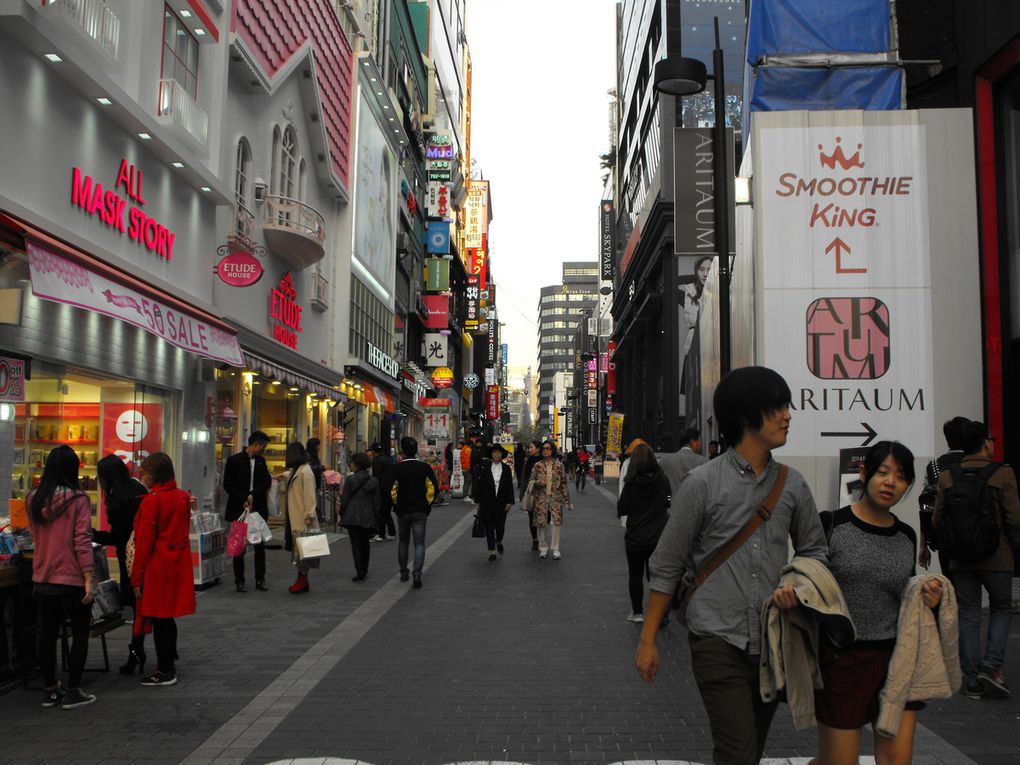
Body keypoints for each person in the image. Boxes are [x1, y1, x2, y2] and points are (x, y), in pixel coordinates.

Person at [635, 366, 828, 765]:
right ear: (745, 416)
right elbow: (666, 565)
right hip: (715, 639)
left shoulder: (792, 485)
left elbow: (815, 552)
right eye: (776, 407)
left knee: (748, 751)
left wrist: (799, 585)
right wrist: (648, 639)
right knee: (738, 751)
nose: (787, 415)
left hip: (773, 640)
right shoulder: (702, 484)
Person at [814, 440, 943, 764]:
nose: (890, 482)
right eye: (883, 472)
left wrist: (930, 599)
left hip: (898, 661)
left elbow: (906, 594)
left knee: (896, 760)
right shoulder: (831, 525)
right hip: (844, 662)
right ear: (863, 473)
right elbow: (808, 584)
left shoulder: (906, 536)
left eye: (900, 477)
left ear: (907, 486)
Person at [934, 420, 1020, 700]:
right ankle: (992, 668)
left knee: (969, 613)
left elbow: (938, 517)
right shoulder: (1003, 473)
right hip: (998, 557)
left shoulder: (949, 475)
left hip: (962, 559)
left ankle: (970, 680)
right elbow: (1014, 518)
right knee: (1001, 608)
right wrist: (1012, 546)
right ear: (985, 443)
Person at [29, 446, 97, 709]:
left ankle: (49, 690)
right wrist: (88, 577)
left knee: (47, 634)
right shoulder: (78, 500)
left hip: (43, 577)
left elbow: (36, 537)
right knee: (79, 634)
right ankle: (73, 690)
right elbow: (82, 540)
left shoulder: (33, 498)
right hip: (72, 579)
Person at [131, 452, 196, 687]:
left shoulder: (152, 501)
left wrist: (136, 578)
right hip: (176, 563)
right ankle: (169, 660)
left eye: (144, 473)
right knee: (167, 617)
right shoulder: (181, 497)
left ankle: (165, 669)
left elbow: (144, 543)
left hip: (157, 566)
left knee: (160, 619)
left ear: (154, 475)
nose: (142, 477)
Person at [93, 454, 148, 674]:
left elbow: (118, 536)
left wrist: (92, 534)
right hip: (144, 555)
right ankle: (148, 651)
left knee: (136, 606)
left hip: (129, 559)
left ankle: (136, 652)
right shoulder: (137, 488)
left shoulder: (119, 499)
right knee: (143, 607)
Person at [617, 443, 670, 624]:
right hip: (658, 535)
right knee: (657, 575)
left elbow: (622, 508)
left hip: (636, 536)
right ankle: (661, 614)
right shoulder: (662, 479)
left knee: (635, 574)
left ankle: (638, 612)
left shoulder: (631, 483)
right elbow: (668, 500)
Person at [918, 416, 970, 575]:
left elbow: (926, 507)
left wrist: (923, 546)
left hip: (944, 538)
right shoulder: (975, 463)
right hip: (975, 536)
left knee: (951, 587)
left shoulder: (934, 466)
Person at [222, 431, 272, 592]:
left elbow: (266, 481)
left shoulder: (261, 462)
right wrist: (242, 499)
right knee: (239, 546)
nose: (263, 450)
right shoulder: (234, 460)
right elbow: (228, 484)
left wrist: (253, 495)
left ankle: (260, 579)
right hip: (239, 509)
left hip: (257, 509)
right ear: (255, 445)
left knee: (259, 545)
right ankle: (239, 580)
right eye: (263, 446)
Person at [390, 437, 439, 588]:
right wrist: (427, 504)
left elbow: (392, 490)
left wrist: (397, 505)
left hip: (403, 511)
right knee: (419, 543)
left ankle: (404, 571)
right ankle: (417, 572)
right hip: (420, 511)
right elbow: (433, 489)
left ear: (402, 451)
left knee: (403, 541)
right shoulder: (424, 468)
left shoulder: (397, 469)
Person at [279, 442, 319, 594]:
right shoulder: (299, 470)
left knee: (303, 550)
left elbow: (310, 494)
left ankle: (302, 580)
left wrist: (309, 515)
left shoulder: (305, 471)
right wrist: (281, 475)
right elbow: (291, 476)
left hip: (302, 517)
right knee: (300, 550)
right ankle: (302, 579)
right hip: (296, 515)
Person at [340, 452, 381, 582]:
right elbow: (377, 502)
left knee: (356, 544)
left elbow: (345, 499)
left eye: (352, 463)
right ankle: (365, 568)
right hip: (368, 516)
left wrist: (341, 512)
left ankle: (360, 572)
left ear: (356, 464)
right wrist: (377, 516)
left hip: (352, 516)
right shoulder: (373, 481)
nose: (350, 465)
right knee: (365, 543)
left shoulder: (351, 480)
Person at [474, 443, 516, 560]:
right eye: (494, 452)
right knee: (489, 526)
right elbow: (479, 485)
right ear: (491, 454)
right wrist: (478, 501)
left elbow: (509, 486)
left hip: (501, 502)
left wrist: (509, 502)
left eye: (499, 452)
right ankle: (492, 551)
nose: (497, 454)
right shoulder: (485, 467)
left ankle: (499, 540)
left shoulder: (506, 468)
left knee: (500, 527)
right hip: (487, 501)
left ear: (502, 454)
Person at [531, 440, 571, 560]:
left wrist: (567, 500)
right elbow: (531, 481)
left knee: (556, 523)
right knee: (541, 523)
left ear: (552, 450)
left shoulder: (559, 465)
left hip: (555, 498)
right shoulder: (537, 465)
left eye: (548, 448)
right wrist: (539, 483)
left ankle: (555, 549)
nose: (545, 450)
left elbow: (564, 483)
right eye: (543, 448)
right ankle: (543, 549)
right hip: (541, 498)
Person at [657, 427, 707, 499]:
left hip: (672, 506)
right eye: (699, 441)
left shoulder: (664, 461)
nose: (700, 444)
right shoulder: (704, 462)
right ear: (692, 442)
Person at [680, 256, 712, 356]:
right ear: (696, 271)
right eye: (701, 270)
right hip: (694, 347)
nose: (706, 274)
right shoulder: (688, 294)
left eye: (709, 270)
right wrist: (694, 277)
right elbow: (673, 281)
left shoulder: (720, 292)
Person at [367, 442, 396, 542]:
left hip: (382, 489)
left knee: (381, 512)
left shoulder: (377, 461)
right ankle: (391, 533)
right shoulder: (388, 459)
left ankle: (381, 534)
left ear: (374, 451)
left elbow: (377, 477)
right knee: (387, 512)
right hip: (390, 488)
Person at [519, 440, 542, 551]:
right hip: (531, 493)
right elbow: (524, 478)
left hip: (543, 494)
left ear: (538, 448)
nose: (529, 449)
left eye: (531, 447)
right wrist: (522, 493)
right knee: (531, 517)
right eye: (529, 447)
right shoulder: (528, 461)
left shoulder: (544, 460)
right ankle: (535, 540)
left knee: (544, 518)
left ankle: (542, 539)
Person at [306, 437, 326, 523]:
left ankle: (316, 519)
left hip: (314, 483)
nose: (319, 447)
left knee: (314, 502)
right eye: (318, 445)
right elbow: (311, 468)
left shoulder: (312, 456)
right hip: (311, 483)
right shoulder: (308, 456)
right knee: (312, 503)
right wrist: (323, 467)